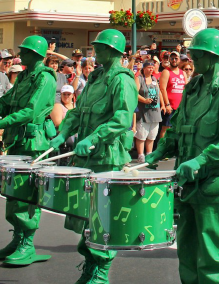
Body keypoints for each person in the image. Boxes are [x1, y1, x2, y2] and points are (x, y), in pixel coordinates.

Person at [146, 29, 219, 284]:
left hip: (215, 185)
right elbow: (179, 128)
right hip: (188, 185)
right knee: (188, 253)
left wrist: (201, 160)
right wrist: (158, 151)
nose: (191, 59)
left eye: (197, 54)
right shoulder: (194, 88)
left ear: (213, 56)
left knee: (213, 258)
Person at [49, 29, 136, 284]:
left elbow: (121, 119)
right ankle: (89, 265)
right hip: (87, 158)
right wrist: (62, 133)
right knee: (87, 217)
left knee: (103, 219)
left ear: (113, 51)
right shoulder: (96, 77)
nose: (95, 51)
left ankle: (100, 272)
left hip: (107, 158)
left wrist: (94, 138)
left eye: (100, 47)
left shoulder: (122, 80)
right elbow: (77, 113)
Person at [0, 36, 57, 266]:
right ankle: (17, 239)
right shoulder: (25, 76)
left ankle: (27, 244)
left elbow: (30, 111)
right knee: (13, 194)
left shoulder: (45, 78)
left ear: (37, 55)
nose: (20, 55)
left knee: (28, 196)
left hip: (34, 142)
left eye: (25, 51)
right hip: (17, 140)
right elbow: (5, 102)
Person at [134, 60, 164, 163]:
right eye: (148, 67)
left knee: (152, 135)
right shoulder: (139, 79)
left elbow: (159, 92)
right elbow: (135, 93)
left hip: (155, 111)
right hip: (143, 112)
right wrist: (144, 100)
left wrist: (163, 105)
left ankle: (149, 154)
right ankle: (141, 155)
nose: (151, 69)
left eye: (152, 68)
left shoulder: (154, 79)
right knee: (142, 135)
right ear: (144, 68)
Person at [159, 51, 186, 138]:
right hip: (170, 106)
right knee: (166, 128)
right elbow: (162, 89)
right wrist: (167, 104)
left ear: (179, 60)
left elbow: (186, 89)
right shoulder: (166, 72)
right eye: (172, 58)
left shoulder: (183, 73)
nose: (174, 60)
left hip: (180, 107)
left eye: (176, 58)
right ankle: (162, 147)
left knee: (178, 128)